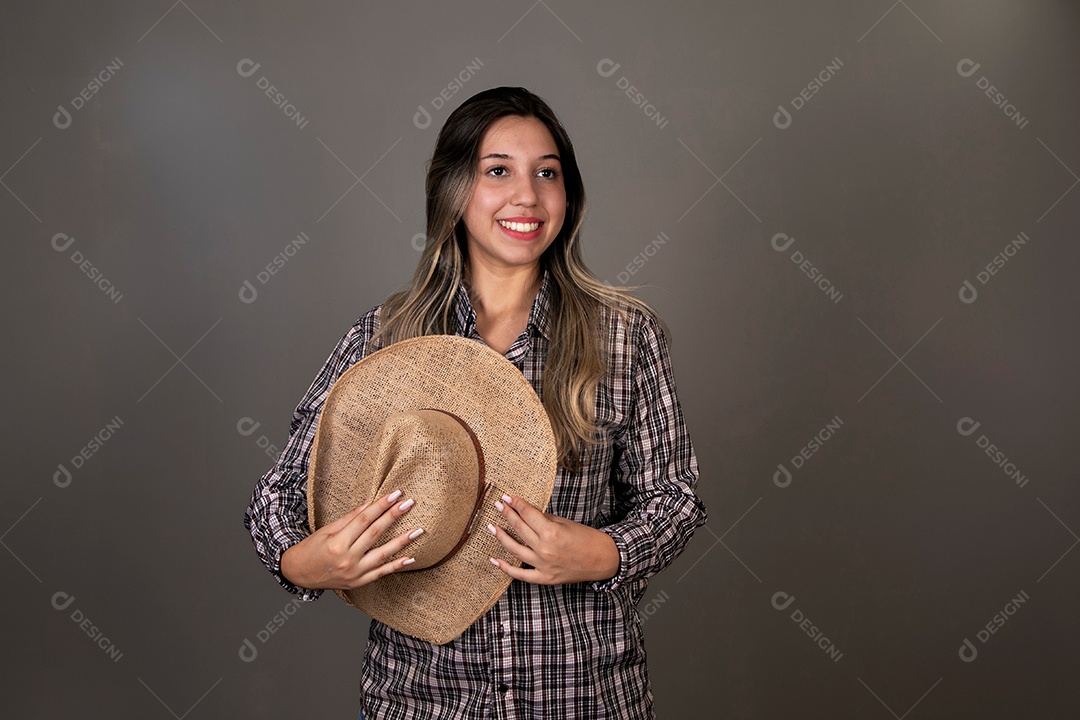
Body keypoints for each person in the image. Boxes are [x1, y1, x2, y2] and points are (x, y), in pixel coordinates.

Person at [244, 86, 707, 719]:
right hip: (422, 701)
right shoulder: (385, 338)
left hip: (581, 695)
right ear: (453, 190)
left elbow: (674, 498)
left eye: (547, 173)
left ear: (569, 195)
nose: (528, 196)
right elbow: (277, 498)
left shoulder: (624, 336)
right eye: (498, 171)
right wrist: (305, 564)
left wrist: (606, 553)